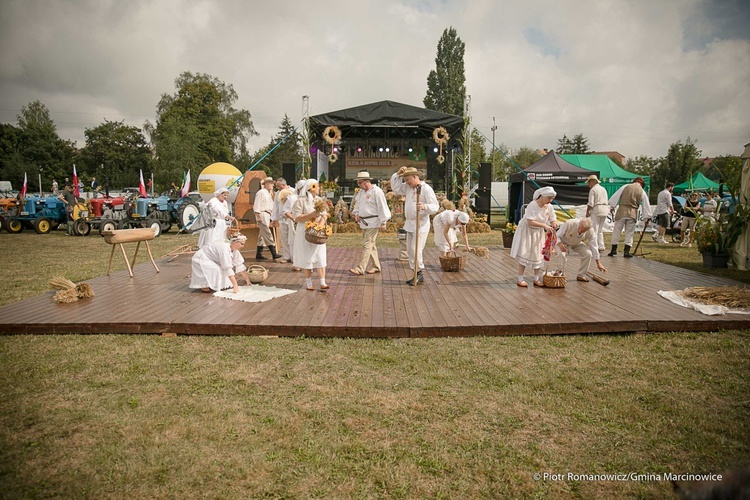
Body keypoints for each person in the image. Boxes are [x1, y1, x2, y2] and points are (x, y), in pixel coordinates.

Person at [390, 166, 439, 285]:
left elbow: (435, 206)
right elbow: (395, 188)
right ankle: (415, 272)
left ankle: (419, 272)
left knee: (415, 249)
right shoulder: (408, 188)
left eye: (408, 180)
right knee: (409, 250)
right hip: (410, 223)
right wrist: (397, 174)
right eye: (405, 180)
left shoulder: (426, 189)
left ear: (415, 177)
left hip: (421, 223)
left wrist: (424, 207)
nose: (406, 182)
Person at [510, 186, 558, 287]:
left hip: (538, 231)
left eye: (552, 199)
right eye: (549, 198)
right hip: (527, 230)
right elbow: (530, 221)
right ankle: (520, 278)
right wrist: (545, 225)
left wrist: (554, 223)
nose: (550, 200)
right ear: (543, 196)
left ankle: (536, 278)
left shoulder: (549, 207)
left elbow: (552, 219)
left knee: (538, 253)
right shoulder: (533, 205)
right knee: (525, 252)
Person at [350, 171, 391, 275]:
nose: (358, 185)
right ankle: (376, 266)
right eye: (357, 183)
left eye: (359, 183)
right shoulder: (361, 193)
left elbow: (382, 206)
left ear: (366, 181)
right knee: (371, 245)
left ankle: (360, 268)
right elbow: (358, 205)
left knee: (366, 244)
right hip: (364, 222)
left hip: (373, 221)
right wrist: (356, 214)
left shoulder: (377, 191)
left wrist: (383, 221)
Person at [293, 179, 329, 291]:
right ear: (311, 187)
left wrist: (320, 226)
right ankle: (309, 282)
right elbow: (297, 217)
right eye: (317, 186)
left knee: (320, 255)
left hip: (316, 231)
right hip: (305, 231)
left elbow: (324, 214)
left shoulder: (319, 200)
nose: (319, 188)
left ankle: (323, 282)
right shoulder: (301, 201)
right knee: (307, 256)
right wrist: (311, 216)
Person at [607, 177, 652, 258]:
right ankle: (626, 252)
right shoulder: (642, 191)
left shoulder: (626, 186)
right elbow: (646, 205)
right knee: (629, 232)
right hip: (632, 213)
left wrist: (612, 206)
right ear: (641, 184)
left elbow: (616, 196)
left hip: (622, 211)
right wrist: (647, 217)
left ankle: (613, 250)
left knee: (617, 230)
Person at [555, 217, 607, 282]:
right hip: (562, 242)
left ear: (587, 229)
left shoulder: (591, 231)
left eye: (583, 230)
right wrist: (560, 244)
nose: (579, 231)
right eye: (579, 228)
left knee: (588, 254)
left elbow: (594, 246)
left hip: (577, 243)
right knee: (561, 255)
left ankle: (581, 275)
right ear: (579, 223)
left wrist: (598, 263)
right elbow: (556, 235)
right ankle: (560, 273)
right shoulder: (569, 223)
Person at [254, 177, 280, 260]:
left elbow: (272, 205)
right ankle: (274, 253)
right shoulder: (261, 192)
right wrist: (257, 215)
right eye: (271, 183)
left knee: (262, 235)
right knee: (267, 233)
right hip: (262, 214)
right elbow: (257, 204)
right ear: (266, 184)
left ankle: (259, 254)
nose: (272, 185)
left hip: (267, 214)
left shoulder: (268, 193)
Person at [273, 178, 295, 263]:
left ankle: (294, 256)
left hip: (291, 218)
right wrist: (274, 219)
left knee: (292, 238)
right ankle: (286, 256)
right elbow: (276, 206)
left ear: (283, 185)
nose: (277, 187)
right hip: (282, 219)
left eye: (278, 186)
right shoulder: (278, 193)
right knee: (284, 238)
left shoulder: (293, 191)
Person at [585, 175, 609, 251]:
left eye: (589, 183)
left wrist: (587, 211)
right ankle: (601, 246)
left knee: (594, 229)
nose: (589, 185)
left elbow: (591, 203)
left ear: (592, 182)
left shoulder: (593, 190)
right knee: (600, 230)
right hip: (605, 209)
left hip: (597, 209)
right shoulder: (603, 189)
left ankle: (594, 246)